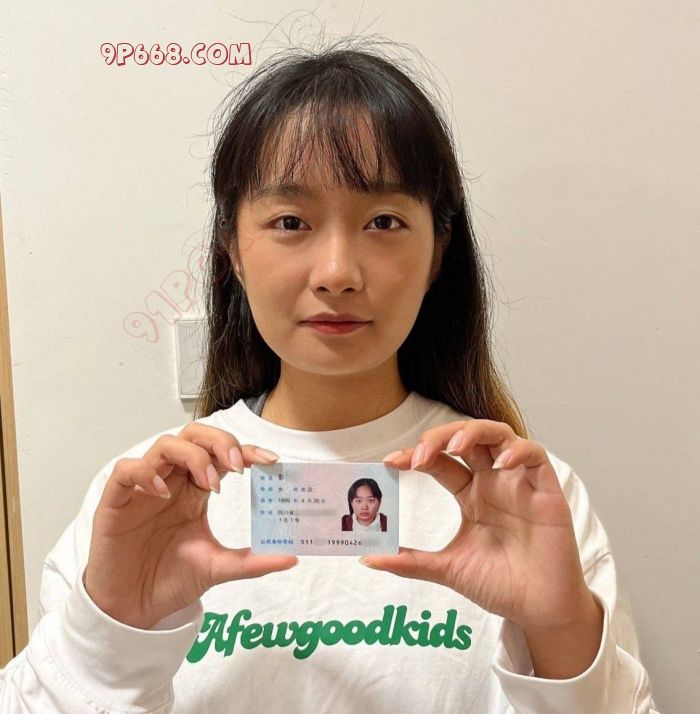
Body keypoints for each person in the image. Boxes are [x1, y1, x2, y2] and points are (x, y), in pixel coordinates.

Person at [0, 39, 660, 713]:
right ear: (231, 248)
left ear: (438, 251)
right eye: (290, 221)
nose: (337, 272)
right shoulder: (150, 500)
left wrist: (559, 633)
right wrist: (112, 632)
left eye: (384, 221)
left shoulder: (522, 498)